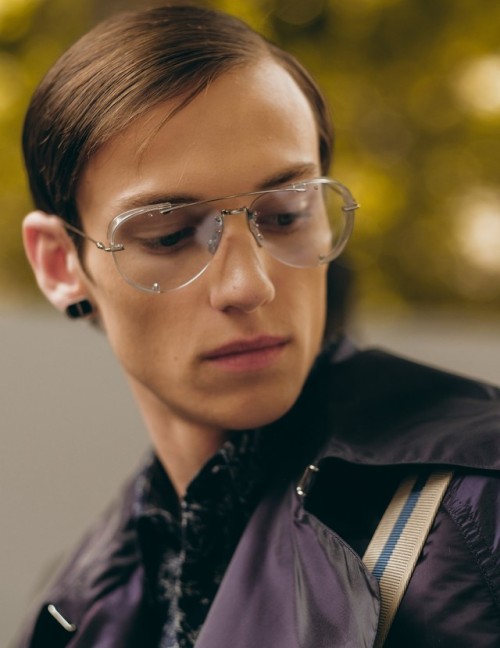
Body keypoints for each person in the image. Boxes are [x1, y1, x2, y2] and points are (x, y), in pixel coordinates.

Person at [16, 4, 500, 648]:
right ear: (60, 263)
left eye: (285, 214)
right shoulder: (72, 612)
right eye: (169, 235)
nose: (250, 284)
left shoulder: (478, 509)